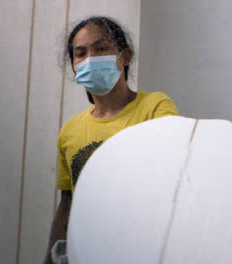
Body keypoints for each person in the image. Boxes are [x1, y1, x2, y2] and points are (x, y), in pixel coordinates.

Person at [44, 16, 178, 264]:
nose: (91, 59)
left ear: (125, 57)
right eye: (80, 53)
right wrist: (50, 257)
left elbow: (168, 178)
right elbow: (67, 204)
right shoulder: (70, 130)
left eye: (101, 48)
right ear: (74, 67)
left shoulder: (155, 106)